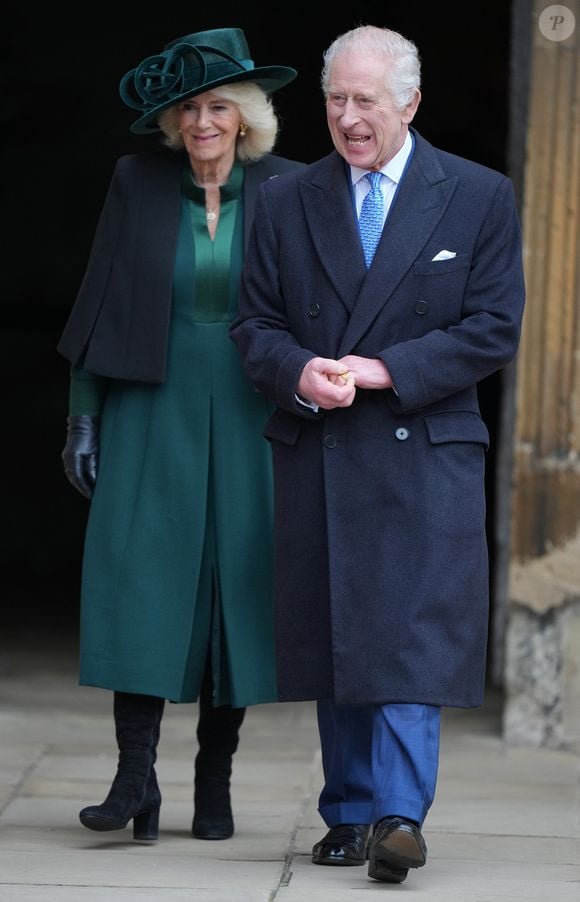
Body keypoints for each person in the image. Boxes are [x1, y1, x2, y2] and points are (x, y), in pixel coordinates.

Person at [230, 24, 525, 885]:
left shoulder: (477, 194)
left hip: (424, 445)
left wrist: (389, 366)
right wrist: (298, 372)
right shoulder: (287, 199)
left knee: (408, 633)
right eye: (335, 100)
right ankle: (351, 810)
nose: (348, 118)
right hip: (321, 439)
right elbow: (254, 324)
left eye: (365, 101)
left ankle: (398, 815)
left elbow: (495, 325)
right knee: (339, 630)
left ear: (410, 103)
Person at [57, 26, 303, 844]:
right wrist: (83, 413)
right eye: (190, 108)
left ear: (247, 119)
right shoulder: (137, 180)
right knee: (144, 583)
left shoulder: (294, 188)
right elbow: (97, 300)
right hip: (149, 405)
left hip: (251, 410)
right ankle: (135, 779)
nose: (203, 122)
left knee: (237, 591)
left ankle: (214, 781)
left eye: (219, 107)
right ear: (173, 123)